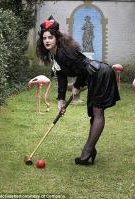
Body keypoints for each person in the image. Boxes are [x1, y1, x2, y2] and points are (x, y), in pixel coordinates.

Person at [36, 15, 120, 165]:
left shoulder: (63, 52)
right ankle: (91, 149)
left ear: (56, 38)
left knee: (97, 113)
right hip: (95, 75)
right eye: (44, 38)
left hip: (100, 74)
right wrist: (61, 101)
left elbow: (82, 69)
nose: (47, 40)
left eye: (50, 37)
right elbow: (61, 76)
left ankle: (87, 152)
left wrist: (76, 85)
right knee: (94, 115)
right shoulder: (55, 54)